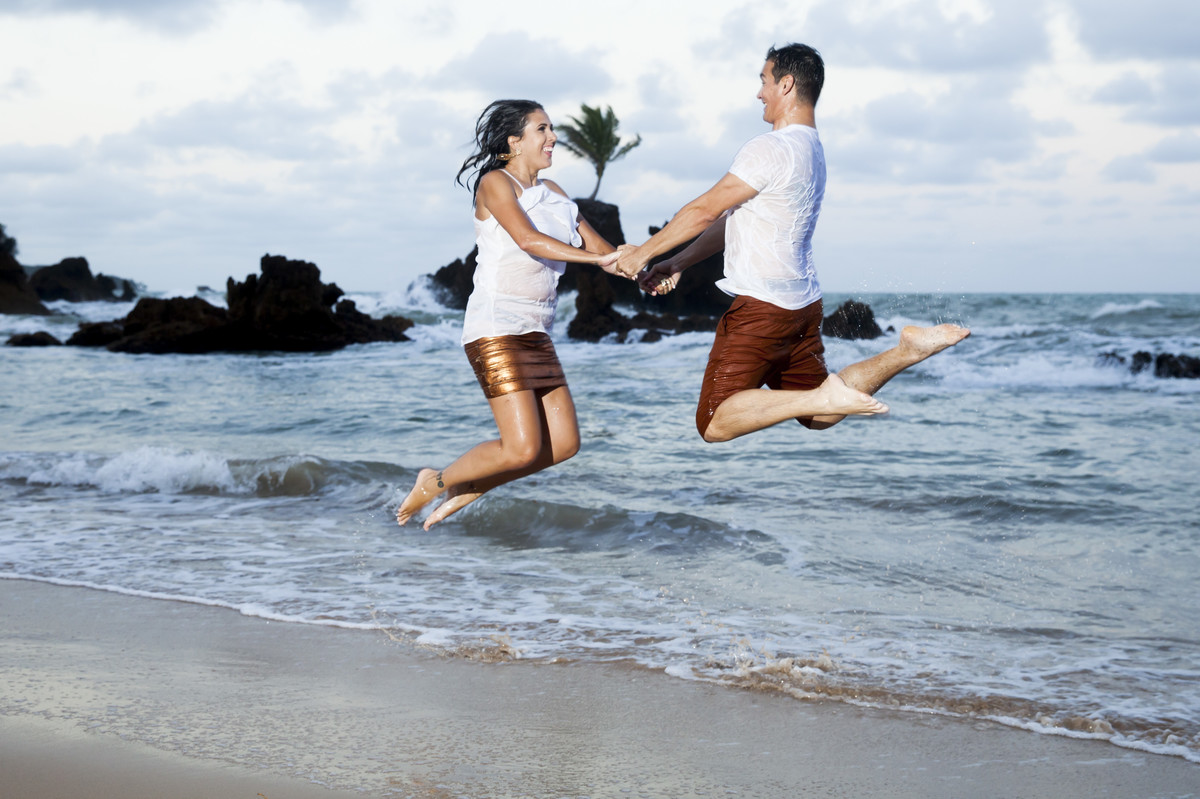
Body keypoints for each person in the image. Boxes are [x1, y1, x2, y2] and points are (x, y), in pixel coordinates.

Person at [615, 43, 970, 442]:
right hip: (802, 305)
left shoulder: (771, 147)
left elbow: (705, 210)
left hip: (763, 306)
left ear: (786, 84)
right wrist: (679, 261)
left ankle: (824, 395)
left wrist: (643, 253)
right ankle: (906, 352)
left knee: (714, 423)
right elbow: (734, 218)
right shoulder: (811, 149)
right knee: (820, 414)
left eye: (764, 81)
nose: (759, 93)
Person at [397, 99, 620, 529]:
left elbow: (602, 249)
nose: (553, 137)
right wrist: (597, 262)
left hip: (536, 331)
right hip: (497, 327)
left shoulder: (555, 193)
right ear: (514, 142)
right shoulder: (495, 183)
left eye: (551, 129)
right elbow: (528, 239)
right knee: (521, 449)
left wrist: (645, 271)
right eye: (543, 129)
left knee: (565, 444)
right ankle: (436, 481)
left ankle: (477, 483)